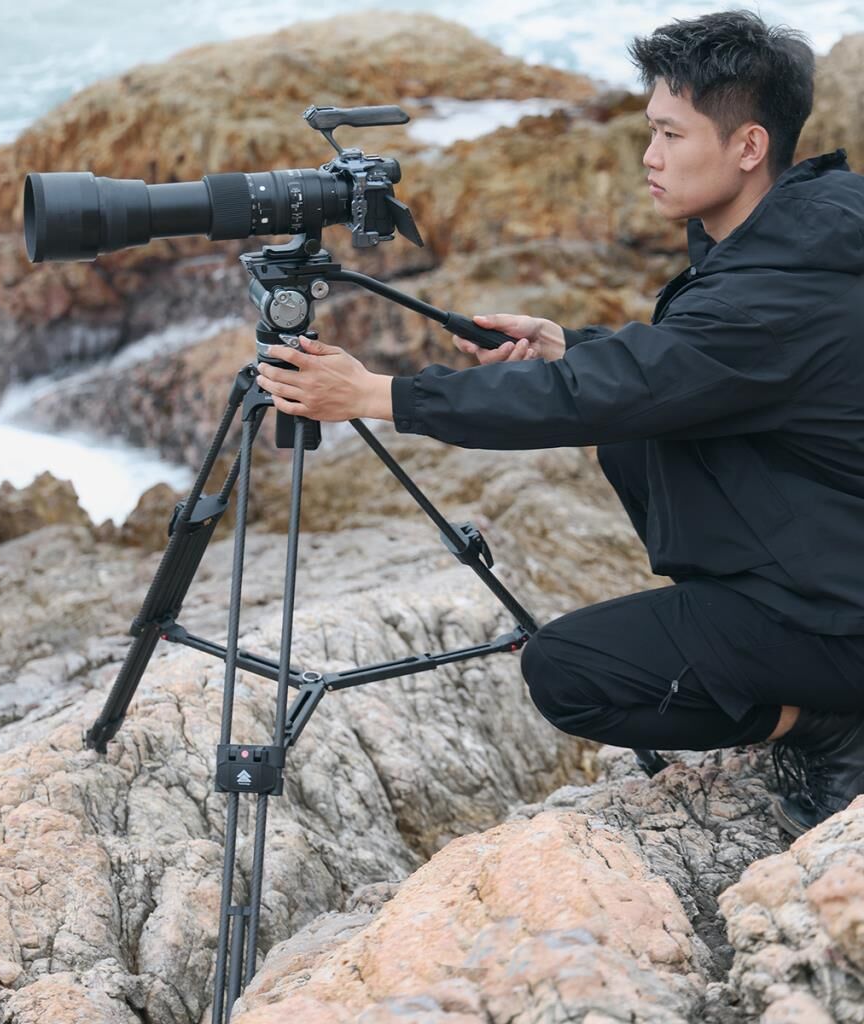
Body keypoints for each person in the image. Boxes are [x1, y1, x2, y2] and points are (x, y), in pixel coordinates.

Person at [254, 10, 864, 837]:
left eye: (670, 134)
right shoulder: (805, 234)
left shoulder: (773, 288)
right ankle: (775, 656)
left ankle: (830, 721)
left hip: (841, 615)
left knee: (569, 672)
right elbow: (687, 371)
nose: (648, 156)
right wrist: (569, 345)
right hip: (831, 561)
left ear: (749, 146)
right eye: (649, 130)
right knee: (635, 426)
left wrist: (379, 396)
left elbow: (649, 375)